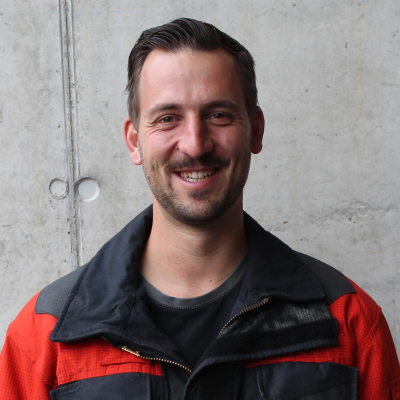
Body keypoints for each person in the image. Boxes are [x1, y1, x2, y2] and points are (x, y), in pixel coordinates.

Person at [0, 18, 399, 400]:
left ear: (255, 130)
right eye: (168, 118)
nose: (194, 144)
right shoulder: (44, 337)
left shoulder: (348, 321)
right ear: (135, 141)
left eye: (218, 115)